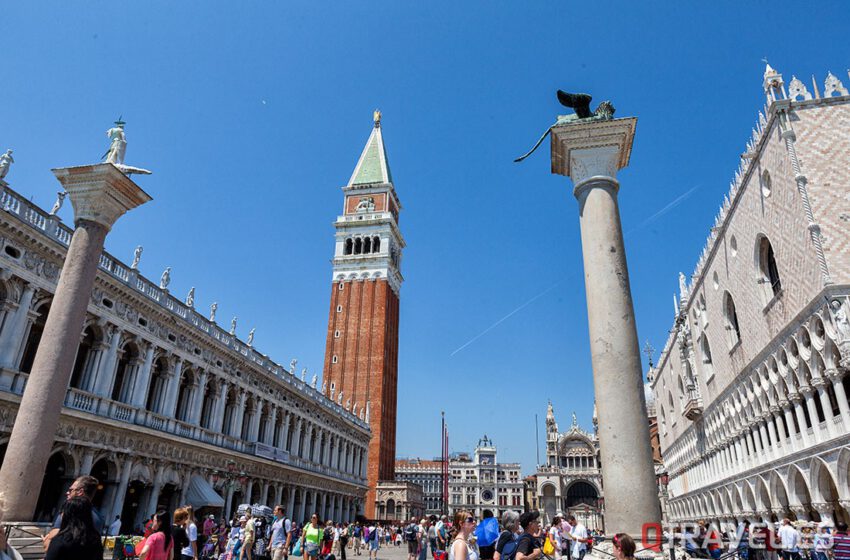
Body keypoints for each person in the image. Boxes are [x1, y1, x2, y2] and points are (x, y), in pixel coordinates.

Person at [43, 475, 104, 551]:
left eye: (71, 490)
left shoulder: (67, 512)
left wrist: (47, 539)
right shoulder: (99, 519)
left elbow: (49, 547)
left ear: (80, 492)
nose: (67, 493)